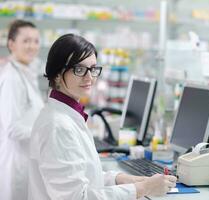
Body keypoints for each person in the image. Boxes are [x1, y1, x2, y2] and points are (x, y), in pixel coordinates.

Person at [28, 34, 177, 200]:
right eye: (79, 69)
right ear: (57, 74)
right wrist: (141, 189)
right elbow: (77, 197)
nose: (89, 77)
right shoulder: (58, 126)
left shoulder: (67, 115)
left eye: (92, 69)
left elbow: (87, 176)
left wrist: (127, 179)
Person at [0, 20, 44, 200]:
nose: (32, 46)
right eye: (26, 41)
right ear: (11, 44)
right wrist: (46, 132)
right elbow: (12, 128)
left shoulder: (25, 72)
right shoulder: (11, 78)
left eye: (35, 41)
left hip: (27, 161)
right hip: (17, 164)